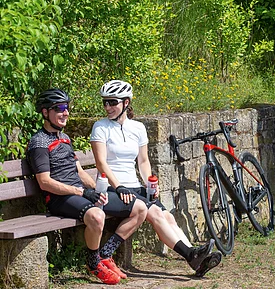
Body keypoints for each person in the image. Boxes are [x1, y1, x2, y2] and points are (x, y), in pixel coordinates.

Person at [90, 79, 222, 277]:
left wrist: (150, 183)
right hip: (113, 188)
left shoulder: (138, 128)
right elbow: (101, 163)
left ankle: (196, 258)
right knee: (157, 215)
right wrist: (119, 187)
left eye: (112, 102)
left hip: (135, 187)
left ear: (126, 103)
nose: (107, 107)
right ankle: (191, 255)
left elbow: (143, 162)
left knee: (167, 216)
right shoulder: (100, 127)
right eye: (105, 102)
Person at [27, 88, 148, 285]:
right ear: (44, 112)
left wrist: (99, 190)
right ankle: (93, 263)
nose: (65, 112)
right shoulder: (39, 143)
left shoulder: (64, 138)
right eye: (59, 108)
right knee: (97, 215)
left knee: (140, 208)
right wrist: (82, 192)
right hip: (59, 199)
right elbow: (45, 182)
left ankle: (105, 255)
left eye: (67, 107)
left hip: (81, 194)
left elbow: (79, 171)